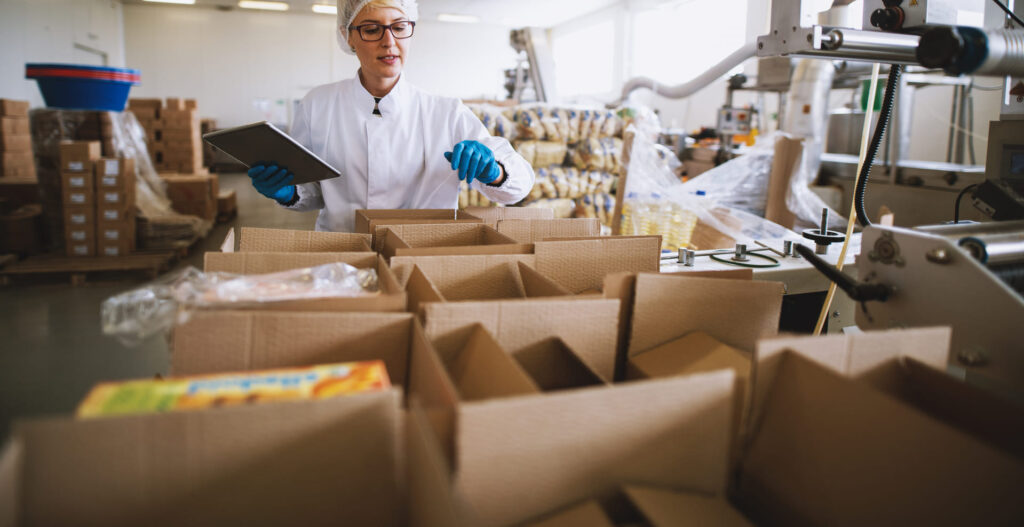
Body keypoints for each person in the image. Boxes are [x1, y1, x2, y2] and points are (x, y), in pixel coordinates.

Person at [246, 0, 534, 232]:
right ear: (348, 37)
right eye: (372, 29)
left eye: (399, 27)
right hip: (341, 256)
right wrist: (288, 192)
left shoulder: (446, 112)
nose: (389, 41)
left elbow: (518, 186)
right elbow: (312, 192)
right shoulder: (317, 105)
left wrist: (495, 172)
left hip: (421, 255)